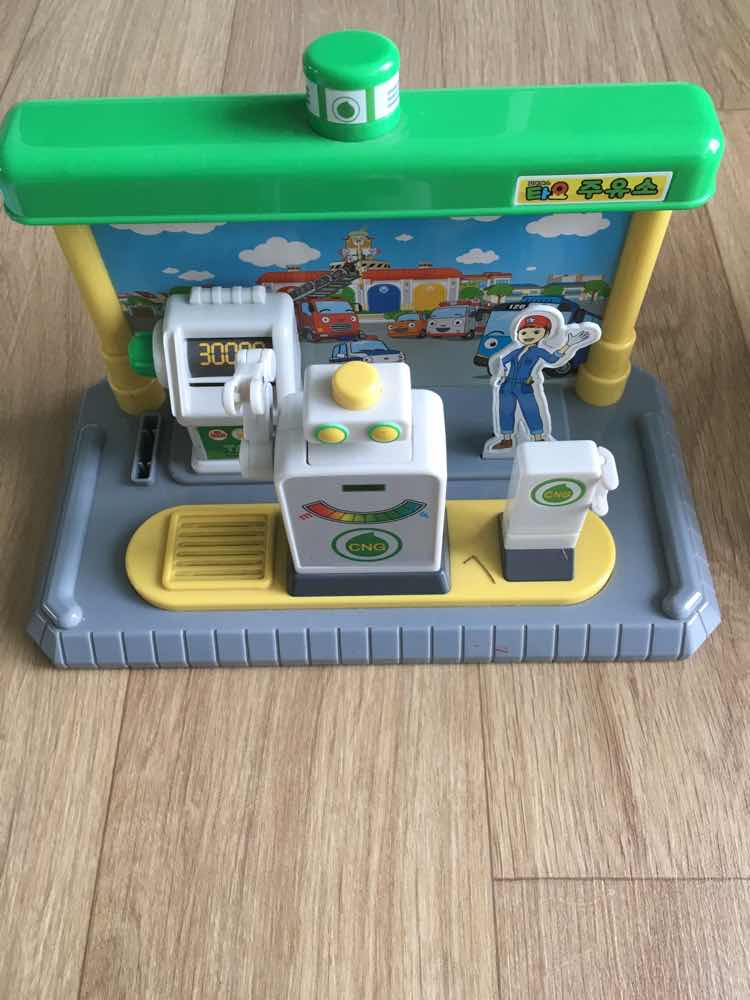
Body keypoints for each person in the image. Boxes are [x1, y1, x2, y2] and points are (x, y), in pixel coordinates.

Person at [483, 305, 601, 456]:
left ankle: (538, 438)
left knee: (531, 410)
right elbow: (501, 361)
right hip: (507, 385)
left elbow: (553, 359)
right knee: (505, 411)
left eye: (536, 332)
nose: (529, 335)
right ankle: (507, 439)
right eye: (524, 332)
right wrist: (500, 374)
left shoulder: (538, 351)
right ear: (518, 334)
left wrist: (568, 345)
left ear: (545, 333)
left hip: (524, 385)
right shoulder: (515, 351)